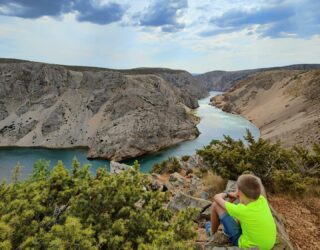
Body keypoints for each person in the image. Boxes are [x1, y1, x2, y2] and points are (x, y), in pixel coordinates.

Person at [210, 174, 276, 249]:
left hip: (249, 246)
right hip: (268, 245)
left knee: (215, 205)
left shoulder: (242, 210)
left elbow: (216, 197)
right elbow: (242, 207)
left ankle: (212, 234)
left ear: (239, 193)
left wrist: (228, 194)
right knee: (241, 215)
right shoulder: (262, 200)